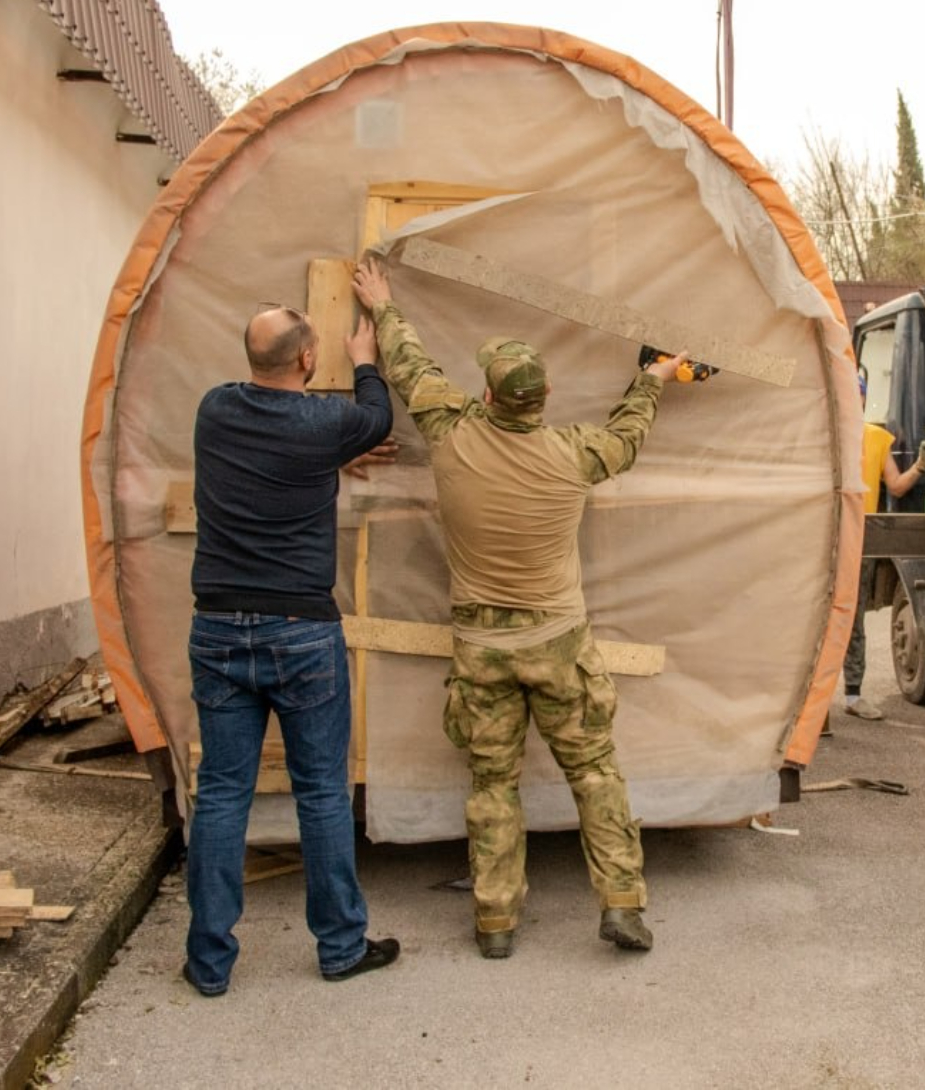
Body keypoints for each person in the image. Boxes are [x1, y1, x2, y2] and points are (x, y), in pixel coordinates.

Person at [350, 255, 687, 960]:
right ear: (546, 395)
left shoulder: (453, 433)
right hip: (560, 644)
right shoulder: (574, 454)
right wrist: (652, 379)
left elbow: (409, 367)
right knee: (594, 770)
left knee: (492, 783)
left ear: (489, 392)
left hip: (482, 649)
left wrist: (381, 303)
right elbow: (626, 436)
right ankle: (622, 903)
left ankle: (496, 921)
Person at [182, 302, 401, 995]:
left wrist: (335, 460)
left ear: (251, 356)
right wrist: (366, 353)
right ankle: (340, 947)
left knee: (220, 794)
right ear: (307, 360)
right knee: (322, 792)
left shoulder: (214, 411)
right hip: (302, 631)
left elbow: (294, 452)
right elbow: (377, 417)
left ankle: (208, 964)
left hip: (217, 629)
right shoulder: (324, 425)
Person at [842, 366, 925, 720]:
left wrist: (922, 465)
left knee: (853, 620)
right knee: (817, 619)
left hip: (863, 541)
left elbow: (895, 487)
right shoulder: (824, 435)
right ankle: (809, 704)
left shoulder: (877, 439)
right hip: (826, 540)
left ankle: (852, 696)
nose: (856, 399)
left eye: (859, 394)